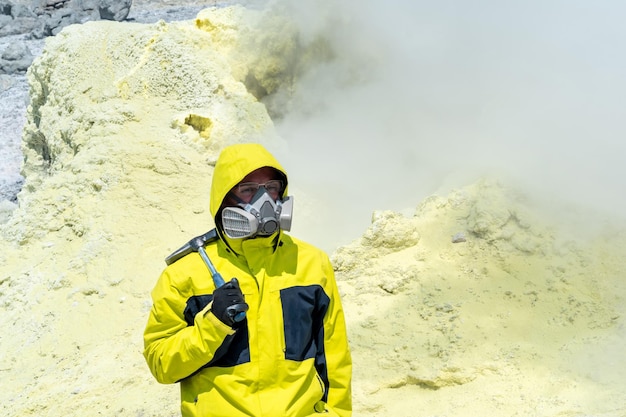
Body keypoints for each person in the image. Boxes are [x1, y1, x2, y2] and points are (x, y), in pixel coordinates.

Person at [143, 143, 352, 417]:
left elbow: (334, 359)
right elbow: (162, 365)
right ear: (223, 199)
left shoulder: (312, 263)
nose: (264, 201)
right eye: (249, 190)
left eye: (272, 188)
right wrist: (213, 325)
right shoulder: (184, 275)